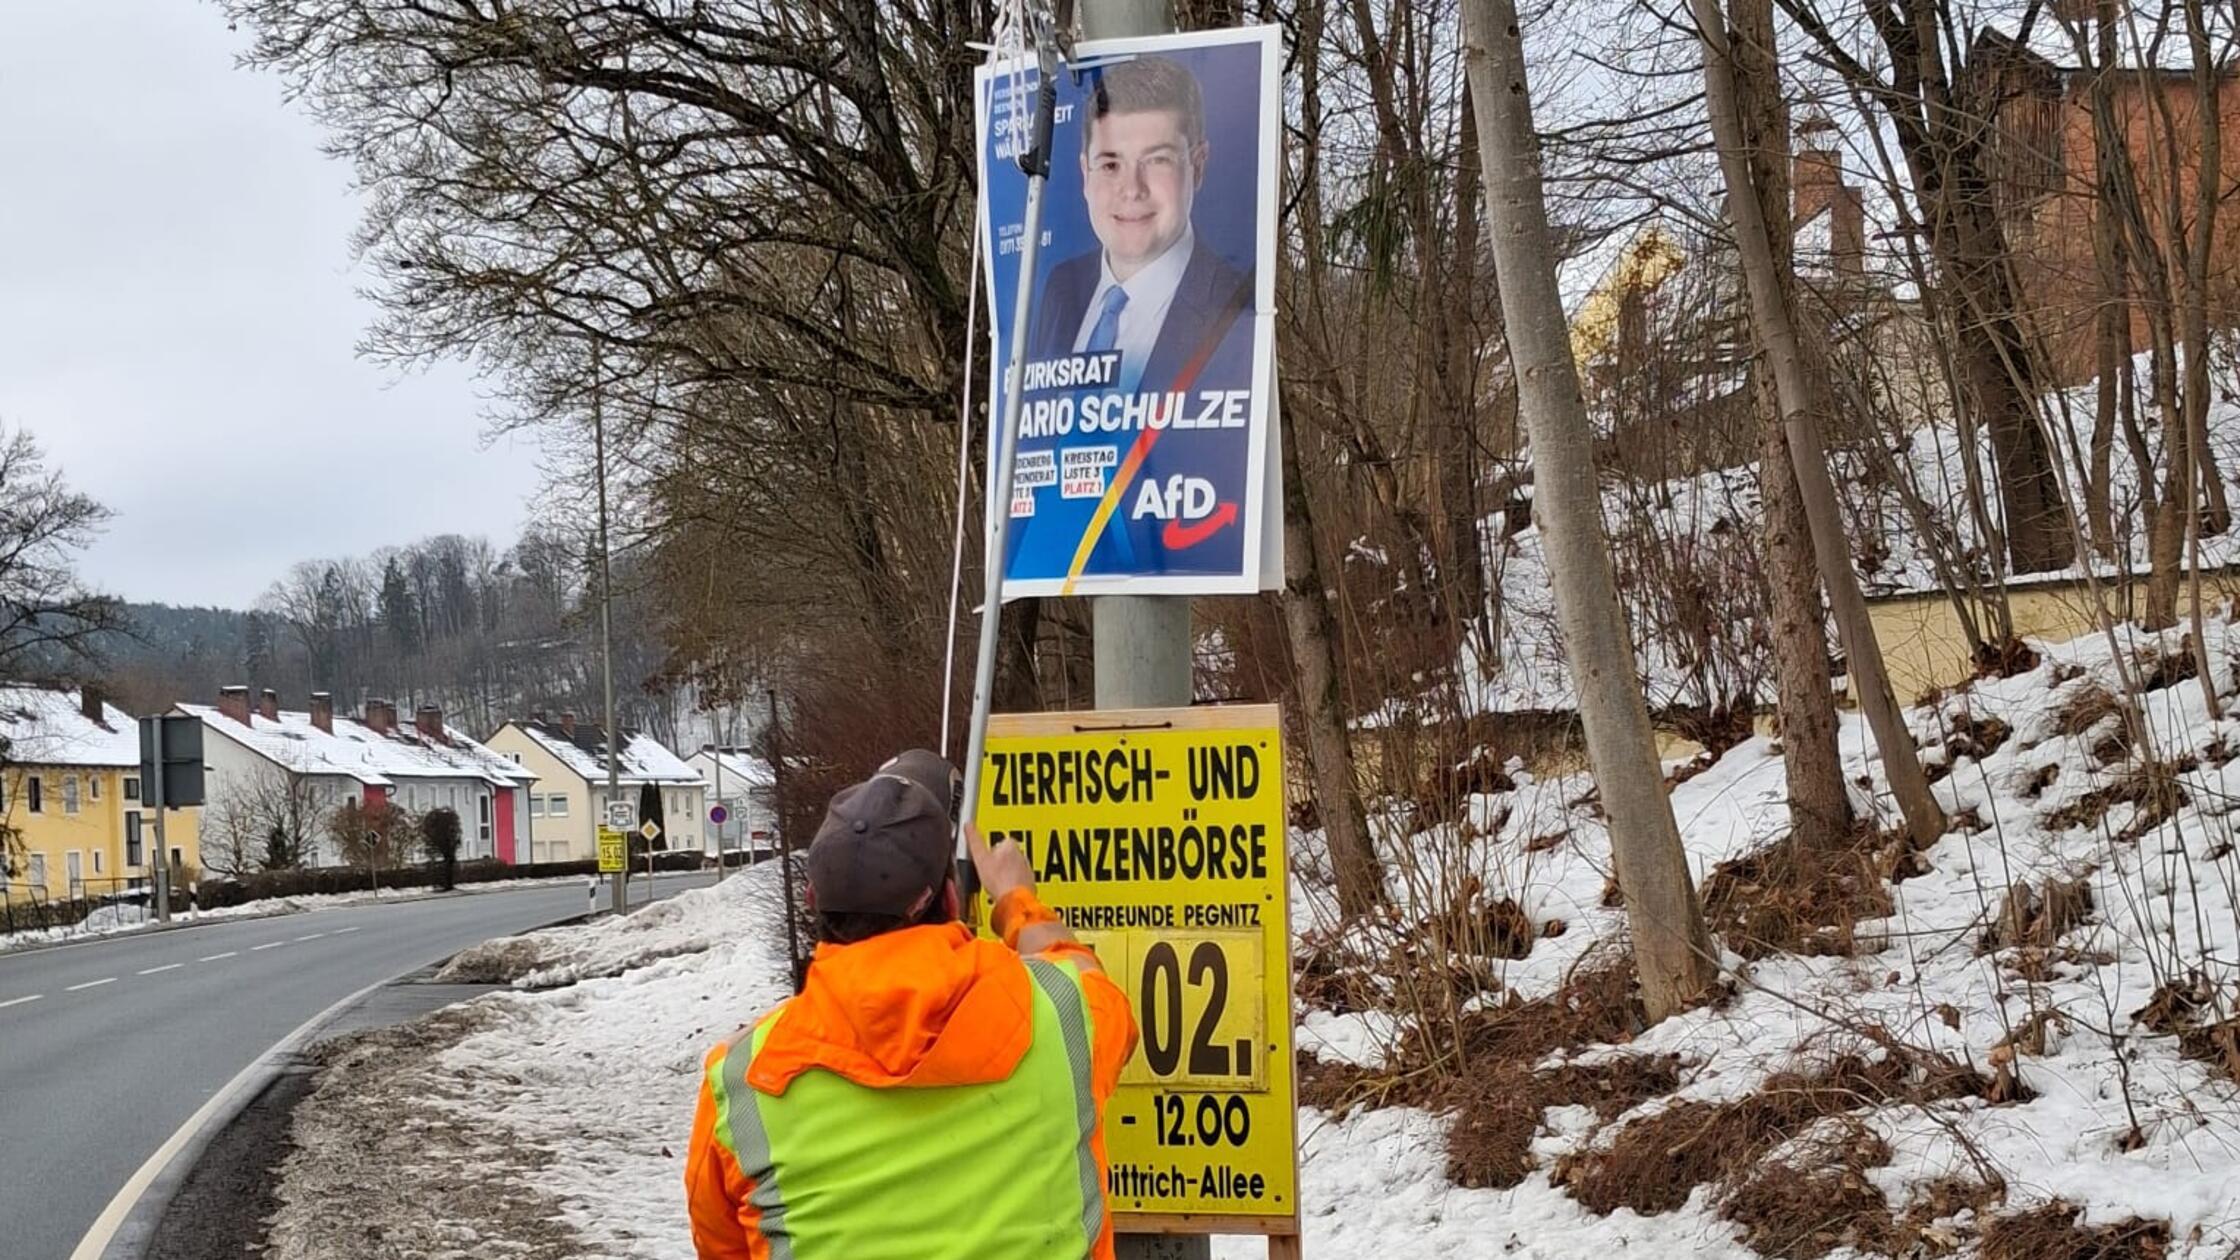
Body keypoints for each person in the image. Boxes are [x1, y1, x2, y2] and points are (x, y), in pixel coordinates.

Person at [684, 749, 1138, 1260]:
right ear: (951, 900)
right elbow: (1088, 977)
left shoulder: (742, 1081)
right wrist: (1017, 901)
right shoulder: (1062, 1015)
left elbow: (722, 1246)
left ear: (813, 903)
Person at [1027, 54, 1254, 395]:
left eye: (1157, 160)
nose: (1132, 189)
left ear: (1198, 166)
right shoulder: (1061, 289)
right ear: (1085, 174)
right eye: (1110, 165)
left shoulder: (1236, 305)